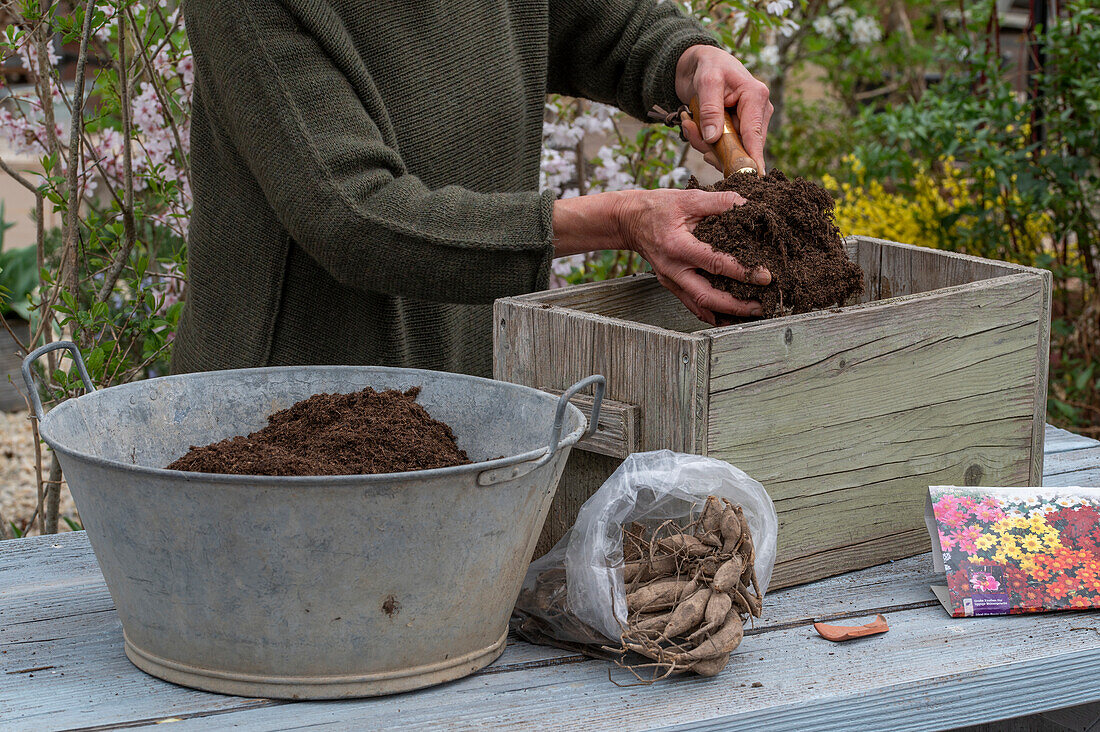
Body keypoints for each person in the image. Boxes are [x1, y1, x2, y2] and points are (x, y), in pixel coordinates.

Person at [171, 0, 774, 379]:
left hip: (463, 382)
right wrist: (623, 220)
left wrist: (687, 60)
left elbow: (602, 26)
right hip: (282, 409)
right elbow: (354, 217)